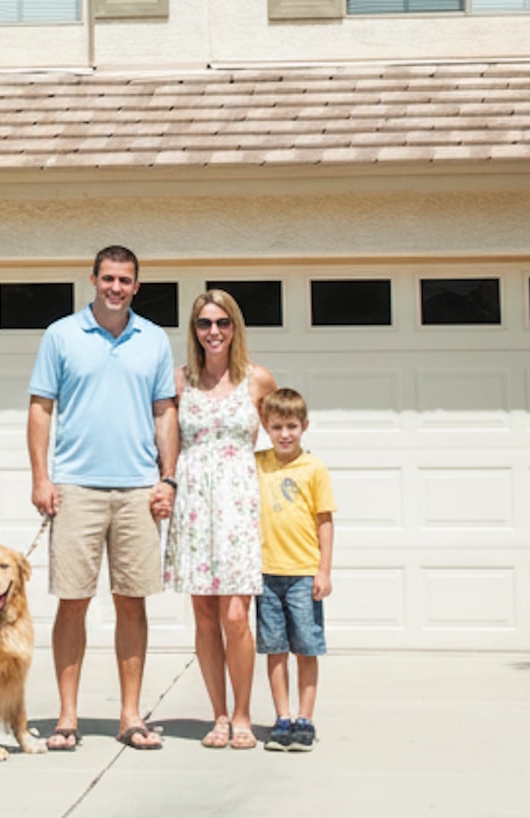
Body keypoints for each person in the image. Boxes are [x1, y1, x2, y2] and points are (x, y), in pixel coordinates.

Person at [27, 245, 179, 751]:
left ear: (137, 285)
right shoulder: (61, 335)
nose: (116, 287)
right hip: (76, 488)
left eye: (126, 280)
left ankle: (130, 716)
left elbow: (164, 413)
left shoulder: (154, 340)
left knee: (132, 604)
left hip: (138, 489)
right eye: (108, 278)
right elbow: (41, 408)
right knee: (72, 603)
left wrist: (168, 478)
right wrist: (41, 478)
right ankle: (67, 717)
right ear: (92, 278)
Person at [162, 290, 277, 749]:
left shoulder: (257, 380)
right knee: (205, 618)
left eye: (222, 323)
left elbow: (281, 443)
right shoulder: (179, 382)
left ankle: (245, 714)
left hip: (239, 505)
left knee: (235, 616)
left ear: (235, 328)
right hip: (194, 507)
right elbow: (164, 444)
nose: (214, 332)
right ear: (194, 330)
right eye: (205, 323)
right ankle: (219, 716)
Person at [254, 387, 335, 752]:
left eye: (291, 426)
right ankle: (282, 717)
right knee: (275, 650)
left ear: (304, 426)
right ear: (265, 427)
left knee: (305, 648)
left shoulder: (313, 467)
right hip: (266, 574)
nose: (284, 434)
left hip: (303, 573)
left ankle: (305, 719)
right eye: (276, 426)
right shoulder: (258, 463)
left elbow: (325, 521)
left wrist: (324, 571)